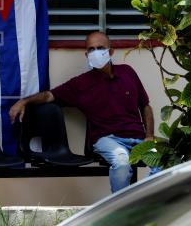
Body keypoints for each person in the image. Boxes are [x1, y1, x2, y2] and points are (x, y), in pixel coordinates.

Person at [9, 31, 155, 193]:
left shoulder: (127, 72)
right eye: (91, 49)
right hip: (107, 139)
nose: (96, 52)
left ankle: (144, 202)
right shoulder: (81, 84)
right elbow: (50, 95)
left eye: (100, 48)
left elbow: (146, 106)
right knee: (121, 162)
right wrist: (25, 101)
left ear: (111, 52)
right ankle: (121, 211)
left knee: (164, 162)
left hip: (139, 138)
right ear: (86, 55)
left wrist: (149, 136)